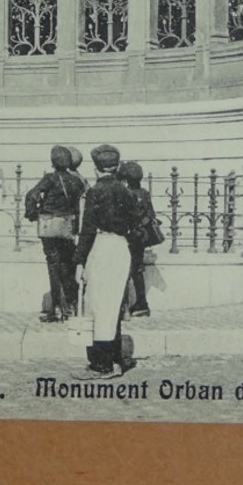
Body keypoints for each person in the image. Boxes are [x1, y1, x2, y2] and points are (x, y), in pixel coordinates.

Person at [74, 144, 141, 375]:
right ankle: (116, 360)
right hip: (121, 248)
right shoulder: (126, 193)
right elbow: (135, 226)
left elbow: (88, 229)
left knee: (98, 305)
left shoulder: (95, 192)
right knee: (114, 306)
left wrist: (79, 261)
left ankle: (101, 363)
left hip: (101, 247)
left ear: (96, 169)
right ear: (117, 167)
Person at [23, 144, 84, 322]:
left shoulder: (49, 179)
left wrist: (32, 213)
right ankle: (71, 306)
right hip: (67, 225)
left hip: (49, 226)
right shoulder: (76, 181)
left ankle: (56, 307)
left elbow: (33, 195)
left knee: (53, 266)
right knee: (67, 266)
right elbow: (80, 205)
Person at [118, 160, 160, 317]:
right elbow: (151, 214)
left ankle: (124, 306)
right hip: (141, 237)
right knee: (137, 270)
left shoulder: (126, 193)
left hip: (129, 236)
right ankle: (142, 303)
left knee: (125, 271)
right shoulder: (144, 193)